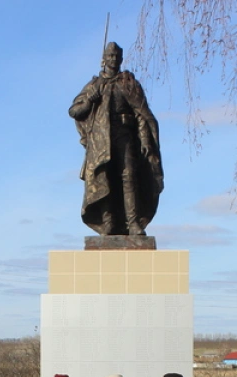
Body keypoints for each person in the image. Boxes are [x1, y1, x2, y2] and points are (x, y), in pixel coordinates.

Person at [68, 41, 164, 236]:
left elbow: (141, 114)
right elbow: (74, 111)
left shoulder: (127, 83)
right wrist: (90, 100)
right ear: (104, 59)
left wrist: (145, 140)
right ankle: (108, 222)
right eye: (110, 56)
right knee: (105, 177)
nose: (113, 60)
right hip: (101, 140)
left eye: (116, 57)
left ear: (120, 59)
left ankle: (133, 222)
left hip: (124, 135)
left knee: (128, 176)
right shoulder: (94, 85)